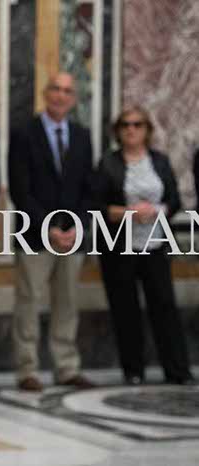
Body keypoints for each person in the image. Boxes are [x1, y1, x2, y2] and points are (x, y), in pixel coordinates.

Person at [8, 72, 95, 391]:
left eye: (67, 91)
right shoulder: (23, 133)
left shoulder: (82, 136)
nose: (61, 95)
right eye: (55, 89)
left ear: (74, 99)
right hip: (34, 234)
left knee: (67, 302)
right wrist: (48, 228)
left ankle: (66, 367)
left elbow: (88, 188)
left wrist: (76, 226)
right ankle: (27, 369)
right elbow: (20, 190)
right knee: (29, 301)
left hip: (72, 237)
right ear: (46, 94)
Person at [96, 106, 195, 386]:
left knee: (164, 306)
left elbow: (174, 200)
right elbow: (97, 205)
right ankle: (133, 370)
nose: (131, 130)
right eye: (126, 125)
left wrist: (156, 210)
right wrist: (128, 213)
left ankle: (177, 370)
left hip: (155, 245)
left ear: (147, 130)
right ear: (118, 131)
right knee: (125, 309)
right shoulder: (108, 164)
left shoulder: (159, 161)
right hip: (120, 246)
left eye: (138, 124)